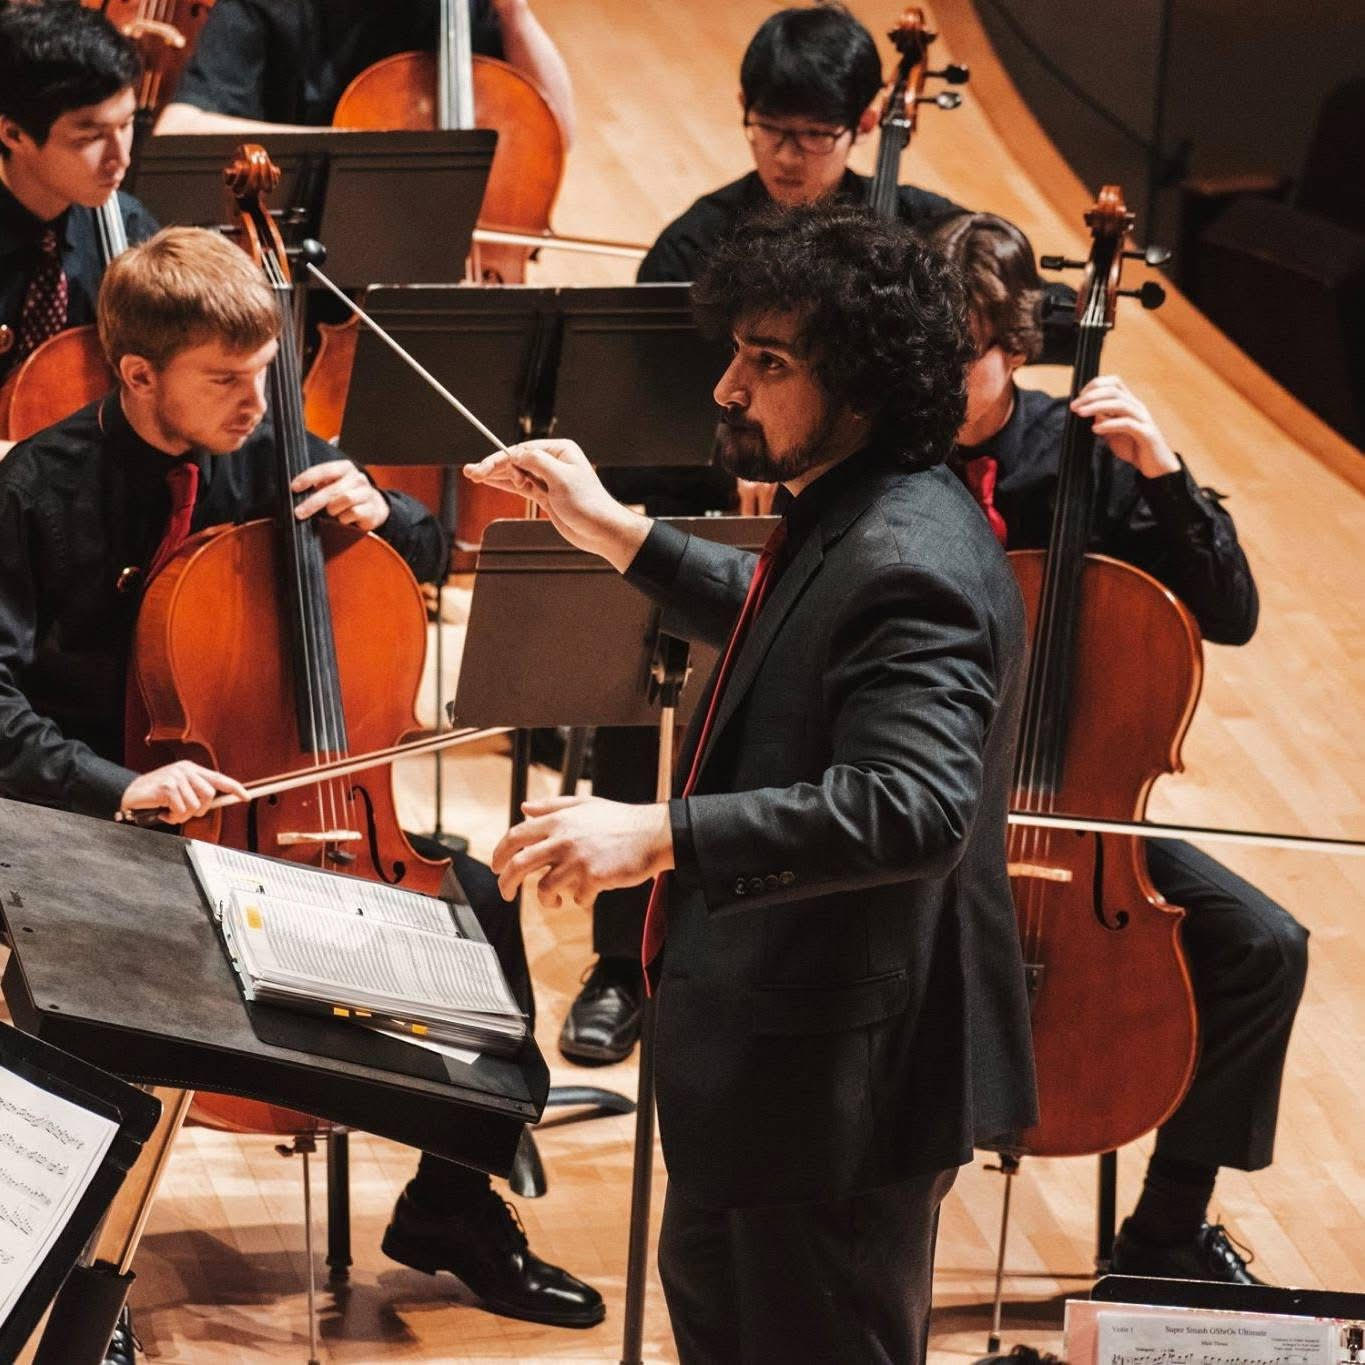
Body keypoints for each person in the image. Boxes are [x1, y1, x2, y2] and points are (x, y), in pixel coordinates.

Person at [0, 226, 604, 1343]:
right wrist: (114, 786)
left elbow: (411, 554)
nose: (254, 399)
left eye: (265, 372)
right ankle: (91, 1273)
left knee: (469, 899)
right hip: (104, 827)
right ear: (139, 375)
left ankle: (451, 1209)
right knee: (89, 985)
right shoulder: (36, 494)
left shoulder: (267, 445)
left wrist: (395, 516)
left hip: (285, 814)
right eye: (225, 380)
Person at [466, 204, 1037, 1363]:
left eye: (768, 363)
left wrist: (660, 833)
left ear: (864, 385)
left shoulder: (910, 559)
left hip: (839, 1090)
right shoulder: (865, 509)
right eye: (737, 351)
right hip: (777, 1064)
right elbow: (796, 620)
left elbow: (914, 805)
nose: (727, 387)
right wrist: (620, 534)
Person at [562, 0, 961, 1071]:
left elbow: (907, 804)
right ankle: (623, 960)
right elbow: (644, 418)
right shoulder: (699, 242)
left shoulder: (923, 242)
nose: (788, 157)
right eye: (769, 131)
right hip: (721, 517)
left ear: (868, 124)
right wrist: (660, 511)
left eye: (815, 136)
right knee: (640, 666)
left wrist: (661, 833)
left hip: (831, 1027)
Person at [932, 208, 1310, 1284]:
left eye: (959, 351)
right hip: (927, 801)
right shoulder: (887, 450)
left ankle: (1164, 1234)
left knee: (1263, 946)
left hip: (1077, 819)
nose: (935, 373)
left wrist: (1164, 474)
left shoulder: (1080, 458)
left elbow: (1228, 614)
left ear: (1016, 347)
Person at [0, 0, 158, 454]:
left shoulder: (127, 228)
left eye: (126, 125)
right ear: (13, 135)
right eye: (89, 137)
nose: (120, 157)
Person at [154, 0, 575, 143]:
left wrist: (516, 13)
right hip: (298, 251)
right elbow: (179, 129)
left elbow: (557, 133)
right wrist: (359, 152)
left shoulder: (459, 10)